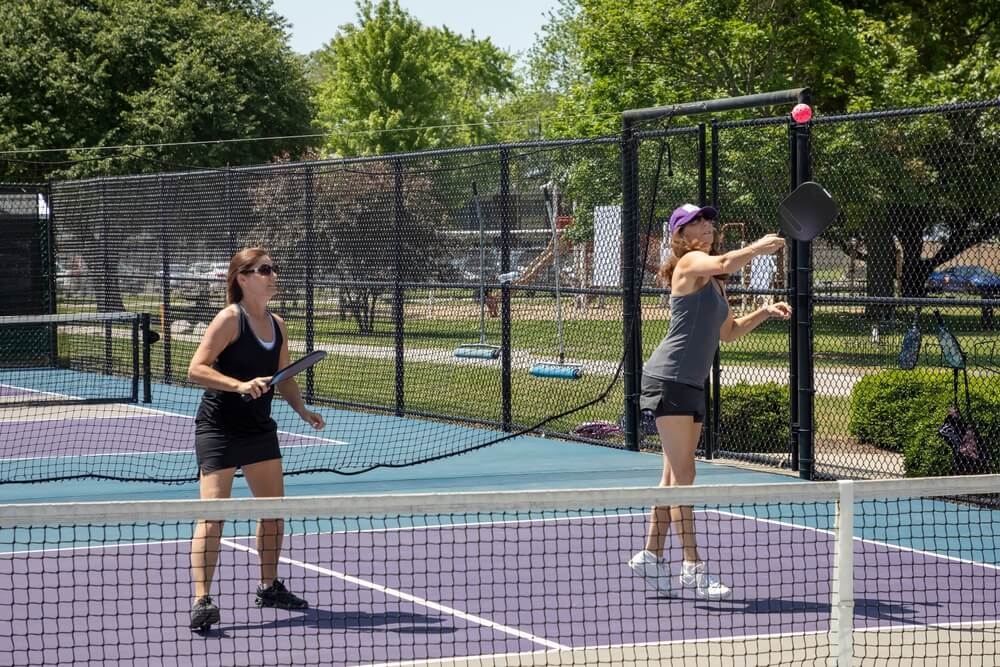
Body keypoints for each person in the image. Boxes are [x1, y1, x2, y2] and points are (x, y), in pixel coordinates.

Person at [628, 204, 790, 600]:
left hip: (690, 382)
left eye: (708, 219)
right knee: (685, 478)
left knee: (673, 478)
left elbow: (729, 332)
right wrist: (759, 247)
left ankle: (650, 555)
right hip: (670, 379)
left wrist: (764, 312)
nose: (708, 224)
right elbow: (725, 259)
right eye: (697, 221)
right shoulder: (692, 263)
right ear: (680, 235)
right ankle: (693, 568)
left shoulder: (715, 281)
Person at [186, 248, 326, 630]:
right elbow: (195, 369)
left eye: (273, 269)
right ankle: (202, 599)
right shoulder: (230, 319)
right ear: (242, 278)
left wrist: (302, 411)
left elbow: (285, 375)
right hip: (219, 429)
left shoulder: (277, 324)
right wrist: (240, 385)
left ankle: (268, 586)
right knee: (214, 516)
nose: (272, 275)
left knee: (273, 511)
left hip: (259, 430)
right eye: (264, 270)